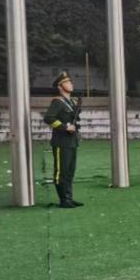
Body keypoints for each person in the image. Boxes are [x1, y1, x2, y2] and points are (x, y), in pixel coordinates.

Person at [43, 72, 83, 208]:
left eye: (70, 82)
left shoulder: (71, 102)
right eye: (67, 82)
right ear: (60, 86)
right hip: (61, 141)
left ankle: (68, 197)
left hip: (71, 141)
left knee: (70, 171)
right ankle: (63, 200)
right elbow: (48, 118)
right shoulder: (57, 101)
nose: (70, 84)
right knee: (61, 171)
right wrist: (65, 127)